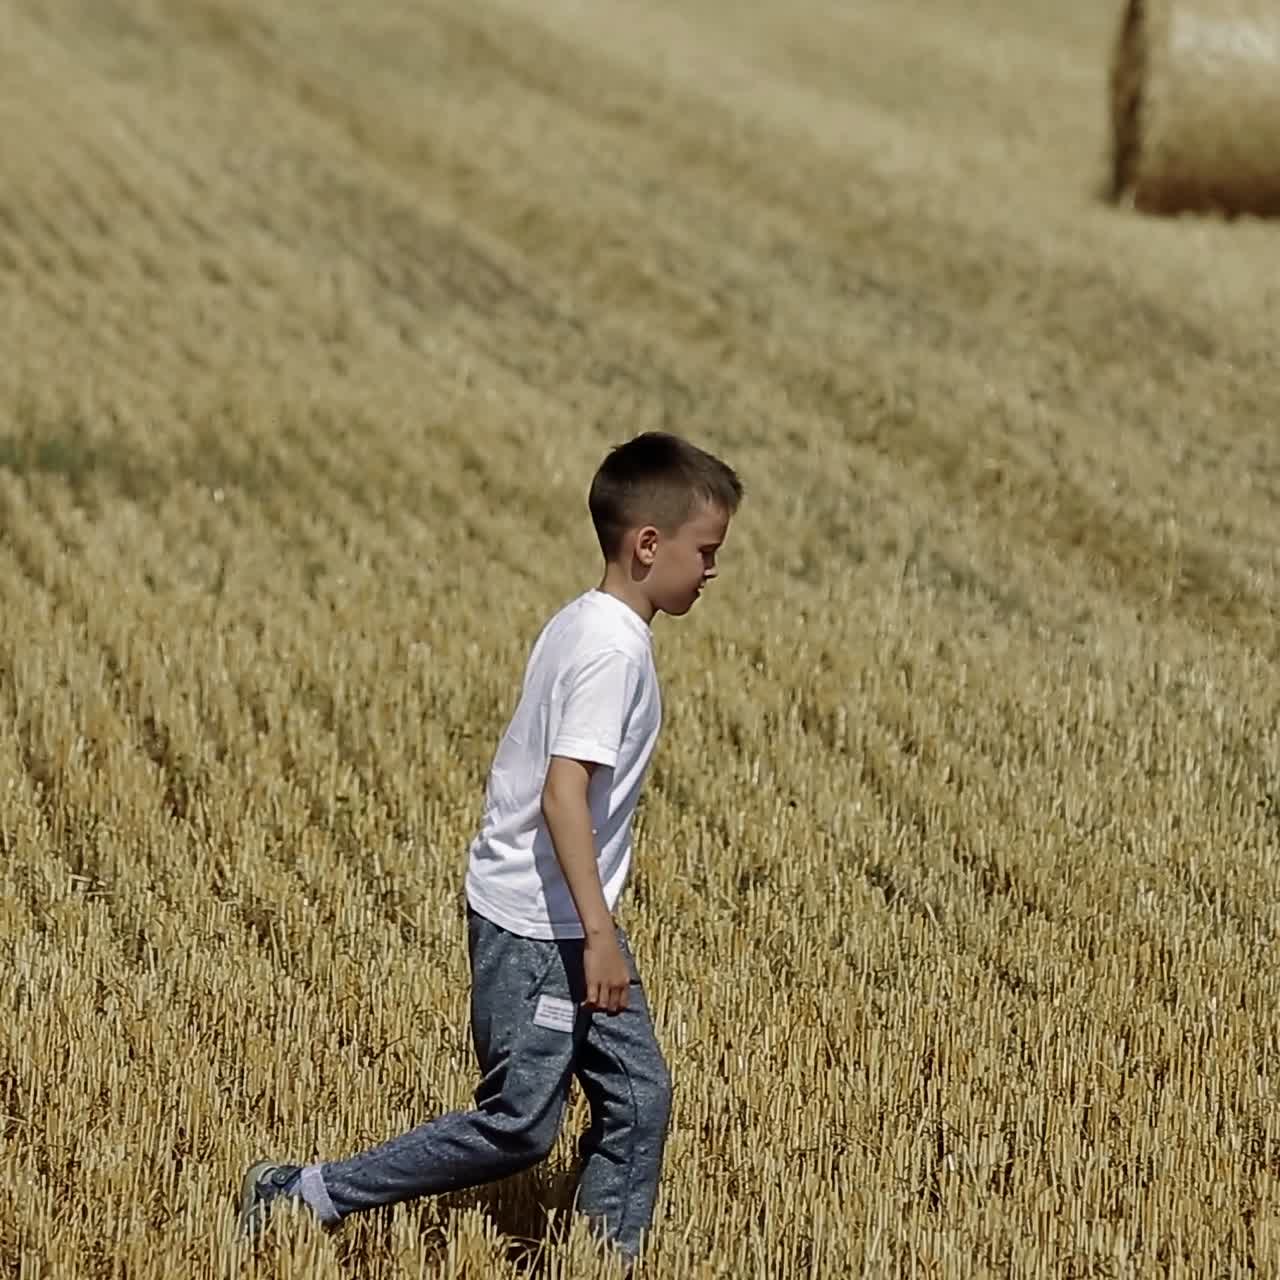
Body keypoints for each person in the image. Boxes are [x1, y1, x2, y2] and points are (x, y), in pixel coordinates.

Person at [236, 431, 744, 1269]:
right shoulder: (611, 651)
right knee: (519, 1124)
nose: (712, 570)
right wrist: (599, 931)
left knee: (639, 1098)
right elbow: (562, 794)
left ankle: (598, 1260)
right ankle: (304, 1193)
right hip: (541, 930)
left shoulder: (584, 622)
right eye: (707, 551)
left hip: (566, 922)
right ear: (648, 545)